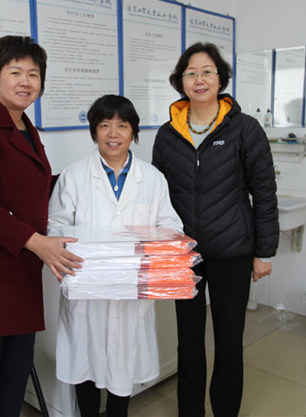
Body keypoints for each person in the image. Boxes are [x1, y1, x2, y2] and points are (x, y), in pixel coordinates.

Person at [0, 35, 83, 416]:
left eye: (34, 74)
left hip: (20, 275)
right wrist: (37, 242)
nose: (26, 81)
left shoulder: (25, 128)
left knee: (14, 376)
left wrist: (81, 179)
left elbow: (29, 187)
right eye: (16, 72)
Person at [152, 42, 279, 416]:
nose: (199, 79)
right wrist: (160, 251)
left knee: (229, 341)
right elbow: (157, 197)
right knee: (189, 342)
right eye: (191, 73)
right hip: (184, 256)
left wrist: (264, 251)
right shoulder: (167, 134)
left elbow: (264, 191)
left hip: (233, 251)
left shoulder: (245, 129)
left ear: (221, 78)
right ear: (180, 81)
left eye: (207, 71)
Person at [48, 94, 183, 417]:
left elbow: (171, 227)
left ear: (133, 131)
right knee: (84, 363)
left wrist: (150, 248)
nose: (113, 134)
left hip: (130, 293)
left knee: (123, 367)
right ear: (94, 131)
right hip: (86, 293)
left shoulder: (152, 178)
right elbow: (56, 227)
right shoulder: (74, 176)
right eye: (104, 125)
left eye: (122, 126)